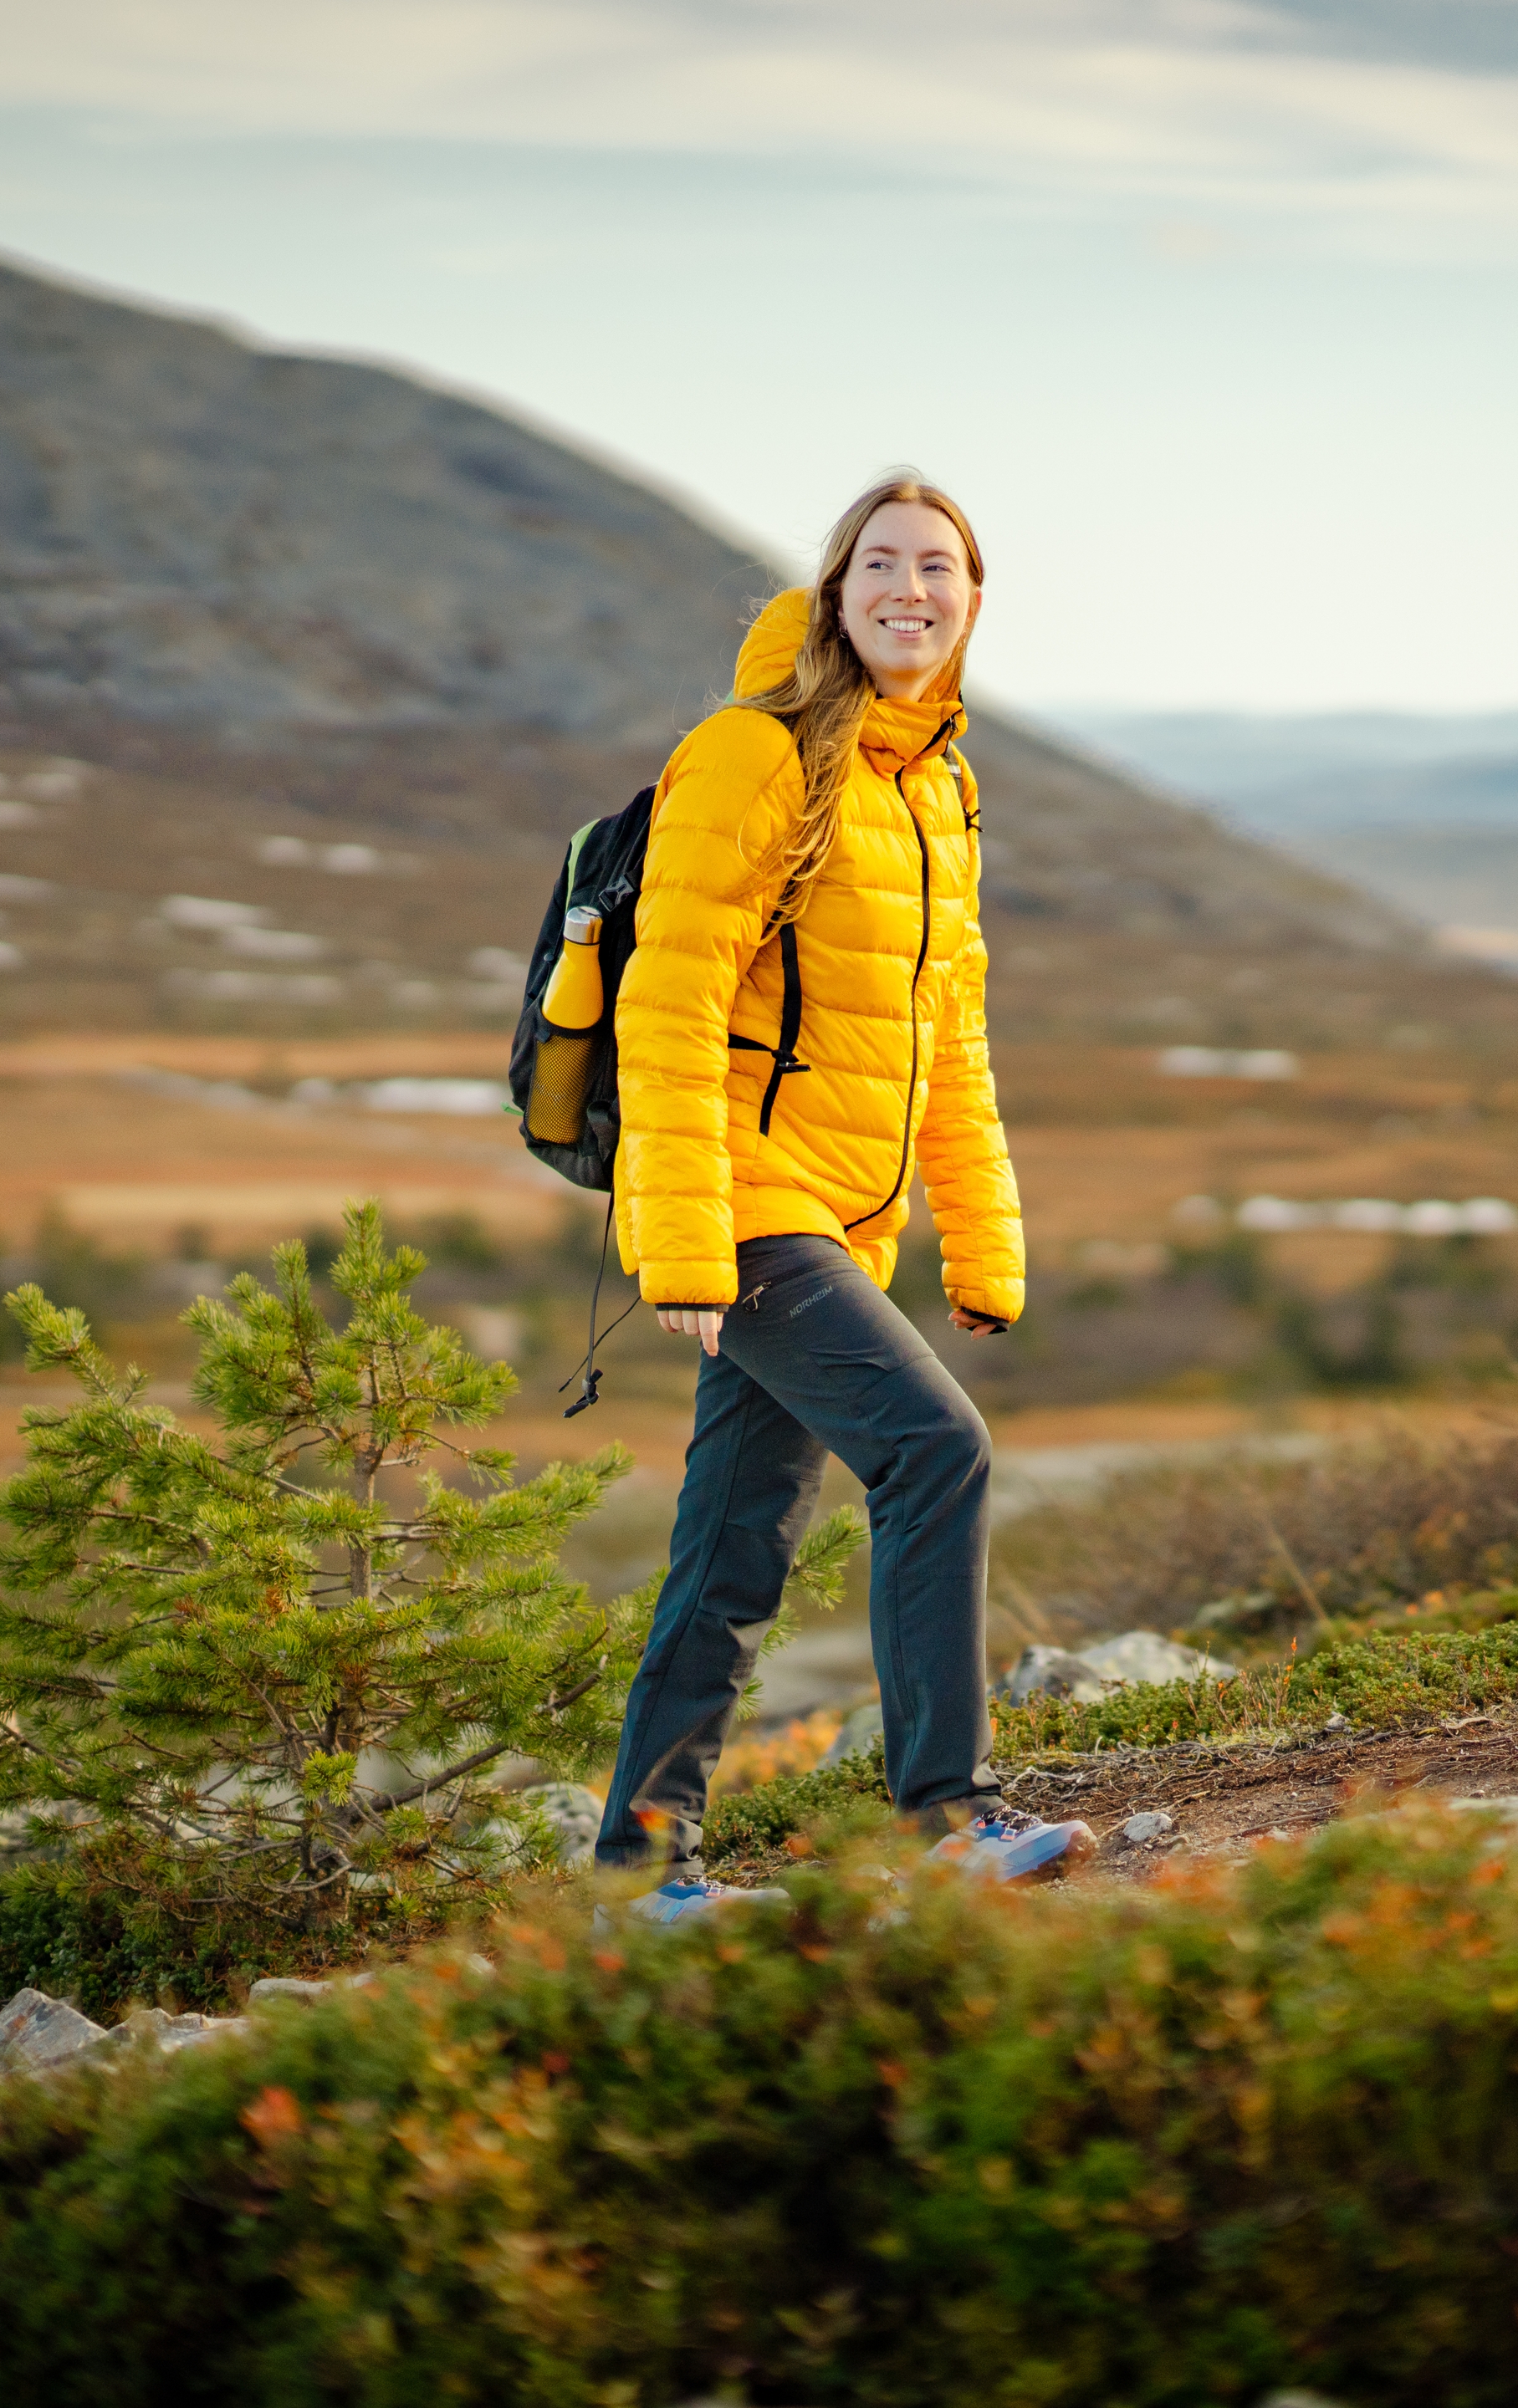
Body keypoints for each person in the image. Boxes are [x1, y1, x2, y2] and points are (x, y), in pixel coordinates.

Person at [590, 473, 1091, 1918]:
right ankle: (952, 1816)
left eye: (939, 568)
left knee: (734, 1555)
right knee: (937, 1452)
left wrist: (982, 1242)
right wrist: (683, 1244)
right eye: (882, 564)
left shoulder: (934, 787)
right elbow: (668, 1007)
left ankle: (637, 1881)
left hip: (841, 1226)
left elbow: (949, 1035)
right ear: (834, 590)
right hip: (745, 1206)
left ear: (974, 601)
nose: (910, 590)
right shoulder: (754, 757)